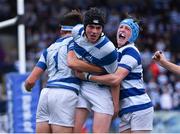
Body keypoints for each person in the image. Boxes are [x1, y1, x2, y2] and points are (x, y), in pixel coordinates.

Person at [24, 10, 103, 133]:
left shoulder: (48, 49)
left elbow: (30, 81)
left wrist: (28, 88)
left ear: (61, 31)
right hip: (65, 93)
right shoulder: (80, 44)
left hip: (46, 94)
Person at [75, 17, 154, 133]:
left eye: (127, 29)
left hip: (139, 107)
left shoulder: (131, 51)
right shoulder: (116, 52)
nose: (122, 30)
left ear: (133, 36)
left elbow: (115, 79)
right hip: (125, 109)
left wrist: (87, 77)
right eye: (121, 27)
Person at [67, 7, 119, 133]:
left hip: (101, 90)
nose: (94, 31)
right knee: (73, 131)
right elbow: (71, 62)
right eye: (91, 27)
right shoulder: (76, 31)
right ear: (84, 26)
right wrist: (94, 69)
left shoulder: (108, 50)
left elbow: (114, 79)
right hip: (82, 88)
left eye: (98, 28)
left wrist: (116, 106)